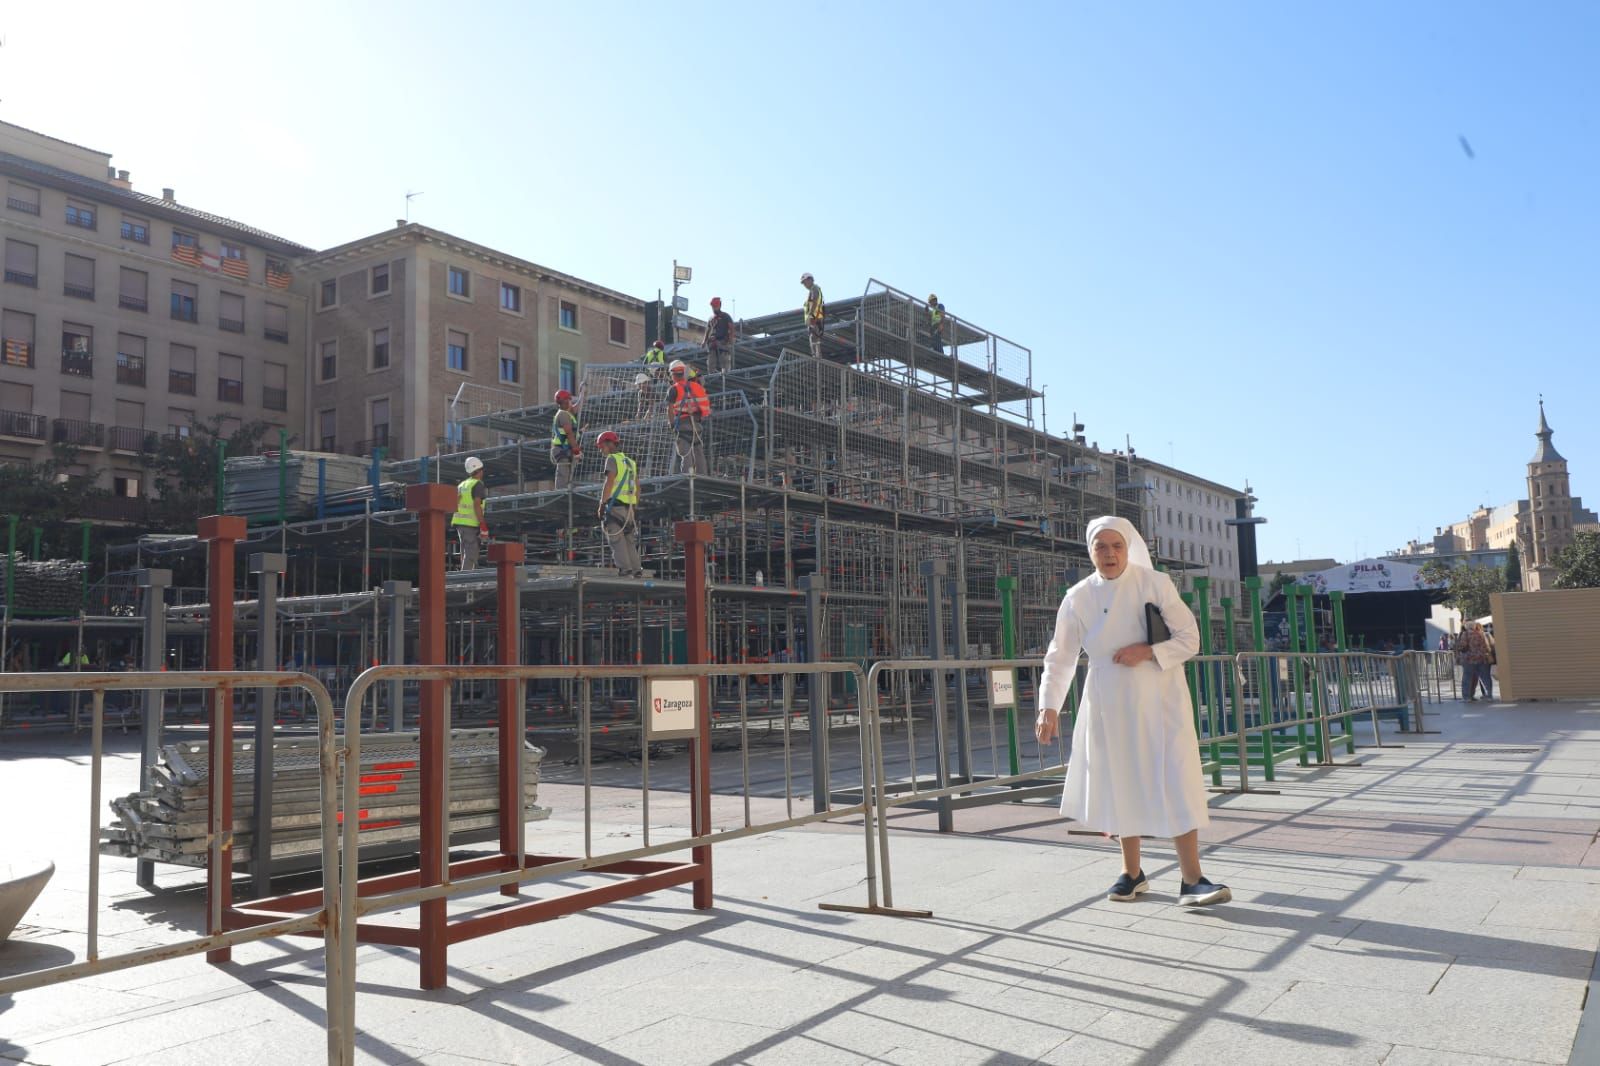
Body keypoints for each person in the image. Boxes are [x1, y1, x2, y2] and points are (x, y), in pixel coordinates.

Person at [1035, 515, 1231, 907]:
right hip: (1109, 701)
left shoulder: (1154, 583)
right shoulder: (1077, 596)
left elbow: (1190, 638)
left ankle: (1192, 878)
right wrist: (1049, 706)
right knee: (1119, 780)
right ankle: (1131, 873)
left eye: (1117, 546)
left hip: (1161, 697)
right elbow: (1061, 657)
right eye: (1101, 546)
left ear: (1129, 548)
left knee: (1177, 778)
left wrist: (1148, 652)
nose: (1109, 554)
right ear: (1090, 551)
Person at [595, 431, 643, 578]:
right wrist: (634, 507)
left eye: (602, 446)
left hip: (615, 507)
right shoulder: (630, 462)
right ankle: (636, 569)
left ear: (609, 444)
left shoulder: (612, 459)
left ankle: (625, 569)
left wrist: (602, 505)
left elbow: (609, 483)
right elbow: (637, 487)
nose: (601, 450)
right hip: (629, 509)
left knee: (617, 540)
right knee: (629, 541)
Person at [666, 359, 710, 475]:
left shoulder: (673, 389)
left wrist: (671, 425)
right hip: (697, 424)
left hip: (682, 424)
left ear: (673, 374)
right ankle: (703, 477)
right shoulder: (696, 387)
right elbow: (704, 406)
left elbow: (669, 409)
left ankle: (687, 477)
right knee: (698, 452)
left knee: (686, 454)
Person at [452, 456, 489, 570]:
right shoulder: (478, 484)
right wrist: (483, 525)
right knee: (471, 553)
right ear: (479, 470)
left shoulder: (462, 485)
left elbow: (455, 502)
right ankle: (465, 582)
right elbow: (476, 505)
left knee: (465, 552)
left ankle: (462, 576)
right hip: (470, 524)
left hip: (459, 522)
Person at [550, 388, 582, 489]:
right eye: (569, 400)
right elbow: (569, 434)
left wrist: (583, 393)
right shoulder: (563, 415)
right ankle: (561, 494)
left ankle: (564, 491)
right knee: (563, 474)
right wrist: (576, 451)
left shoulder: (566, 413)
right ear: (565, 401)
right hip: (561, 449)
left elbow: (577, 407)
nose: (571, 402)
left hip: (563, 448)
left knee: (566, 474)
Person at [1458, 621, 1494, 701]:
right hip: (1482, 658)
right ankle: (1489, 695)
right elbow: (1486, 645)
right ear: (1474, 626)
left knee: (1467, 678)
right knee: (1486, 677)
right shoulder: (1481, 633)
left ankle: (1467, 697)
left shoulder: (1465, 634)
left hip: (1469, 659)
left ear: (1467, 627)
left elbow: (1462, 646)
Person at [702, 297, 736, 373]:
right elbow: (707, 330)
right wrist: (704, 341)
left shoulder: (725, 316)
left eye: (716, 306)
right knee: (711, 363)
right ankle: (713, 375)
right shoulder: (711, 318)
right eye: (713, 306)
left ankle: (725, 374)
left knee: (724, 361)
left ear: (720, 305)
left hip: (723, 342)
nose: (714, 308)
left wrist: (730, 338)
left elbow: (731, 327)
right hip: (712, 343)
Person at [801, 272, 824, 359]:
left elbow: (815, 301)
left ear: (810, 280)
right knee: (814, 337)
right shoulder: (813, 289)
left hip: (814, 317)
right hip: (815, 317)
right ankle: (817, 356)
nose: (804, 284)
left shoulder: (814, 289)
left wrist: (810, 315)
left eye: (805, 282)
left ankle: (816, 356)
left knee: (813, 336)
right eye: (803, 283)